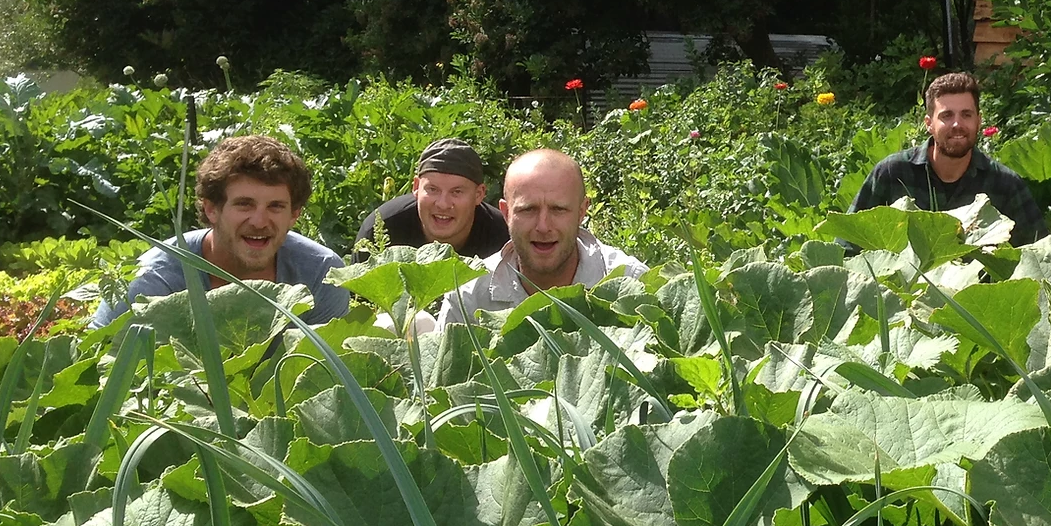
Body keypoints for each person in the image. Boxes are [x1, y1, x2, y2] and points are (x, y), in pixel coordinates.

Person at [90, 134, 349, 327]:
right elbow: (101, 370)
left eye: (275, 206)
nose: (259, 221)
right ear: (212, 209)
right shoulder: (154, 280)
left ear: (295, 214)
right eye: (244, 204)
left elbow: (328, 375)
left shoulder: (321, 273)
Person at [439, 148, 646, 325]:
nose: (543, 226)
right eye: (528, 210)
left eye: (558, 209)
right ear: (506, 213)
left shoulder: (631, 283)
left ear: (582, 211)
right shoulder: (469, 297)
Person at [848, 71, 1048, 244]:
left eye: (966, 115)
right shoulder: (892, 174)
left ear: (979, 121)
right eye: (947, 116)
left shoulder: (1005, 185)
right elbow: (850, 240)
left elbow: (1038, 253)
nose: (957, 124)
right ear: (929, 123)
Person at [355, 138, 509, 258]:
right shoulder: (380, 231)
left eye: (457, 192)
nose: (443, 204)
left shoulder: (503, 239)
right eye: (432, 189)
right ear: (416, 187)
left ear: (479, 194)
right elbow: (359, 298)